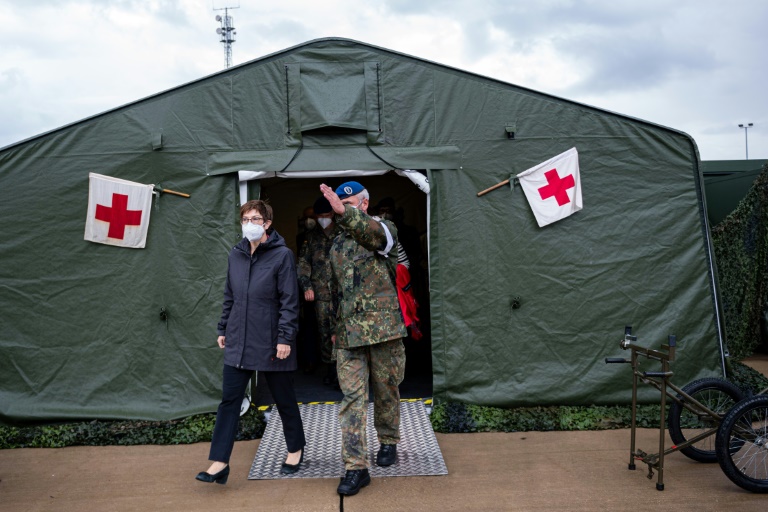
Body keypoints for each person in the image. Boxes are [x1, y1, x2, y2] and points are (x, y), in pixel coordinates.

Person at [196, 199, 306, 485]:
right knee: (229, 401)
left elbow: (290, 302)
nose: (249, 225)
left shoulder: (282, 256)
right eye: (245, 219)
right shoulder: (235, 254)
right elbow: (229, 295)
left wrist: (285, 338)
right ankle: (219, 463)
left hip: (271, 342)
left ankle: (295, 448)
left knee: (283, 400)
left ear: (267, 223)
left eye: (255, 219)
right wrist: (223, 327)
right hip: (238, 340)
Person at [319, 181, 407, 496]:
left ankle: (388, 440)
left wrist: (346, 214)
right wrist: (331, 328)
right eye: (339, 205)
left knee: (386, 390)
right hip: (348, 334)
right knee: (352, 401)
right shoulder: (337, 244)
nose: (343, 209)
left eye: (351, 203)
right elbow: (332, 290)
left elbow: (376, 238)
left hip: (384, 330)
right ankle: (356, 468)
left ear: (364, 204)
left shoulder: (384, 230)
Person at [297, 196, 343, 385]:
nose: (324, 218)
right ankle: (331, 368)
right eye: (320, 215)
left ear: (332, 213)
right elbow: (303, 264)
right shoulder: (311, 237)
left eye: (327, 215)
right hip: (321, 294)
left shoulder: (343, 232)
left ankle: (344, 368)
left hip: (343, 293)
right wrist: (307, 286)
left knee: (342, 330)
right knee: (324, 332)